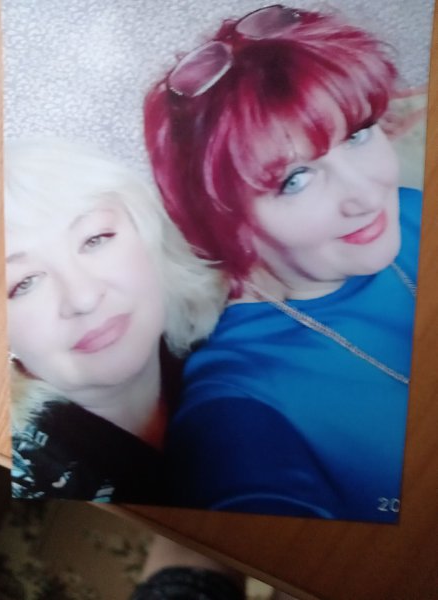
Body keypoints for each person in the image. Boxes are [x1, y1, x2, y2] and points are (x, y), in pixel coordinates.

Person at [143, 5, 422, 522]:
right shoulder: (239, 404)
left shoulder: (411, 211)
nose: (366, 196)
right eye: (295, 179)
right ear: (224, 218)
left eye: (357, 134)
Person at [6, 138, 225, 502]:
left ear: (149, 234)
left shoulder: (240, 340)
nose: (83, 297)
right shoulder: (18, 478)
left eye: (95, 239)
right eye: (24, 283)